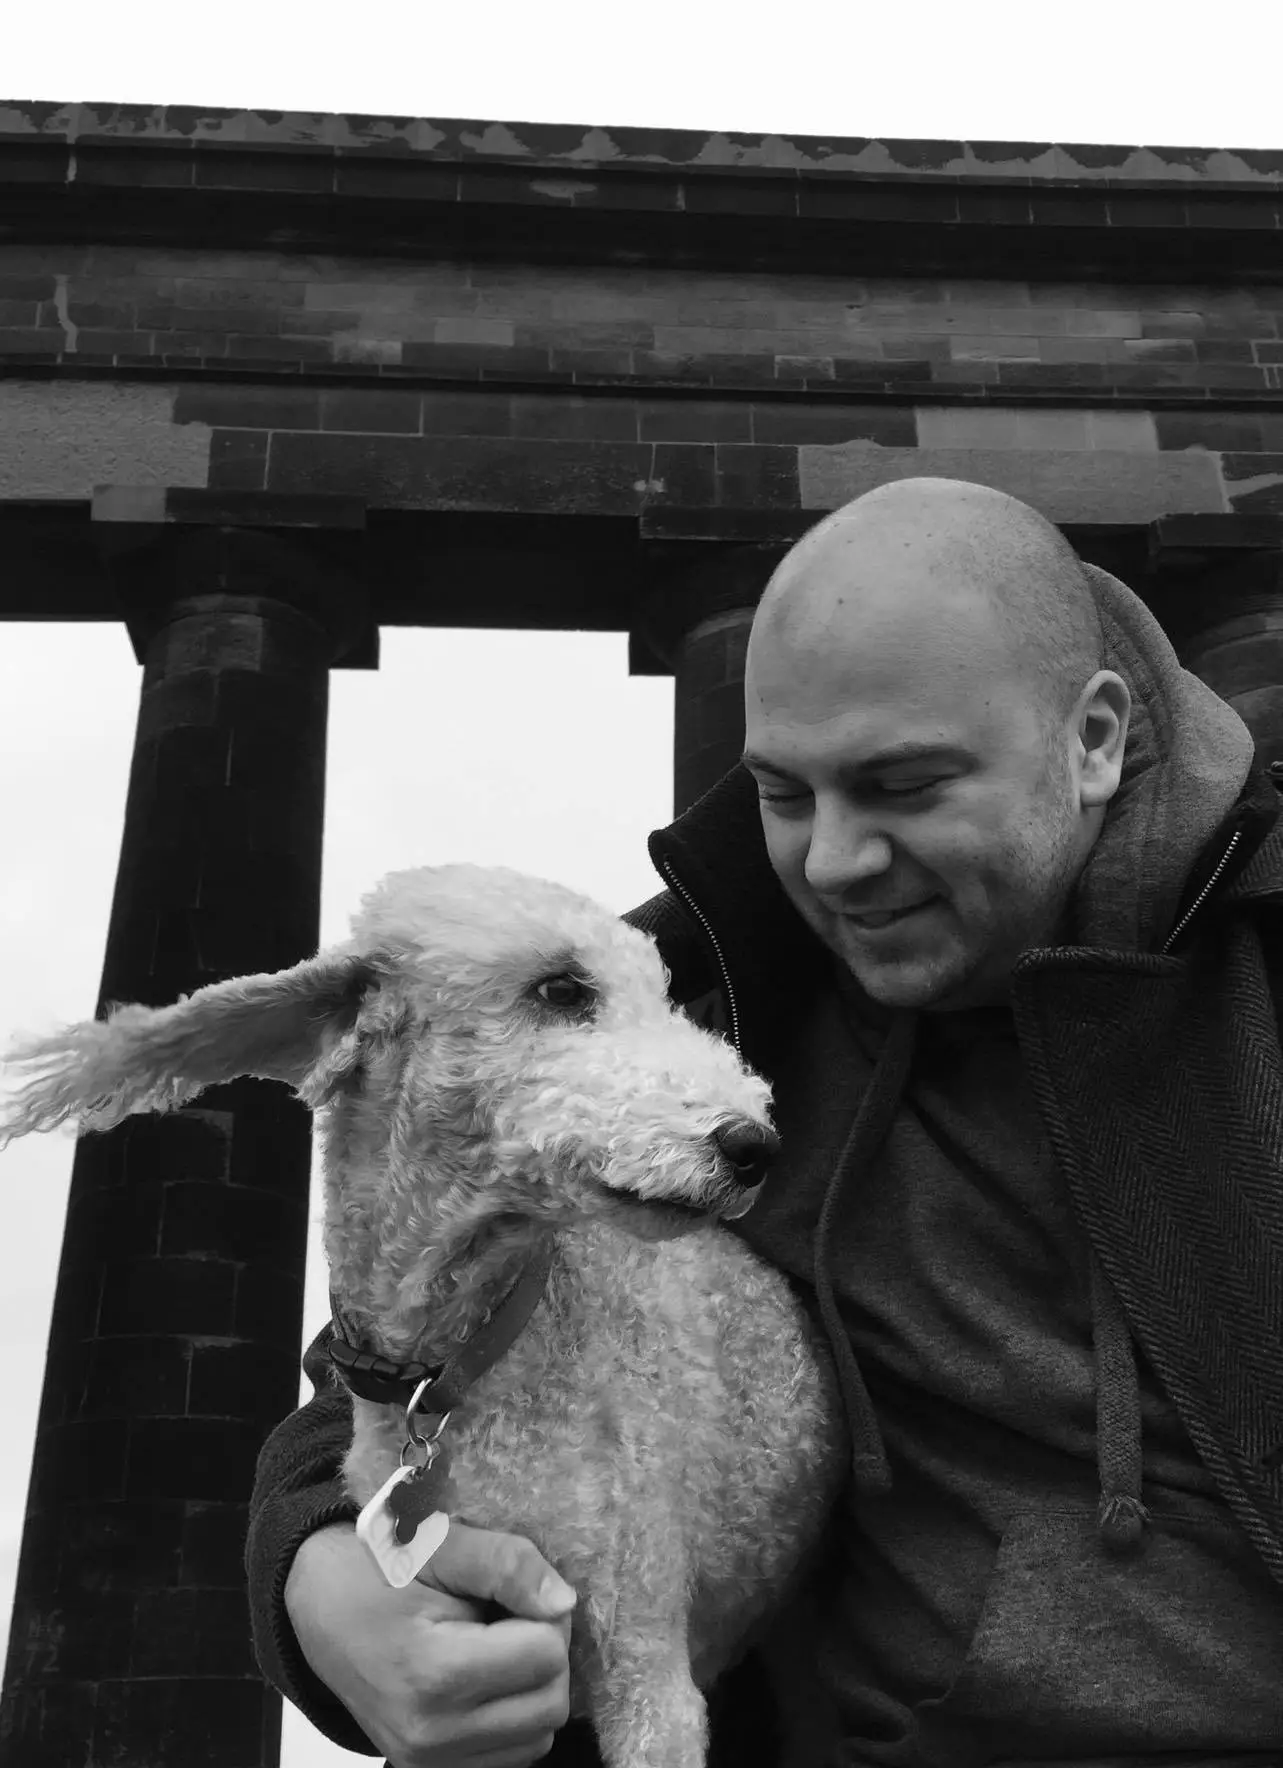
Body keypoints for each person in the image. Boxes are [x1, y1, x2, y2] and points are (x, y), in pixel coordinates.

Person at [247, 477, 1283, 1767]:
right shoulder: (698, 993)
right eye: (785, 794)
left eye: (903, 784)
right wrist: (311, 1572)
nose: (834, 862)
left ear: (1094, 741)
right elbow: (408, 1332)